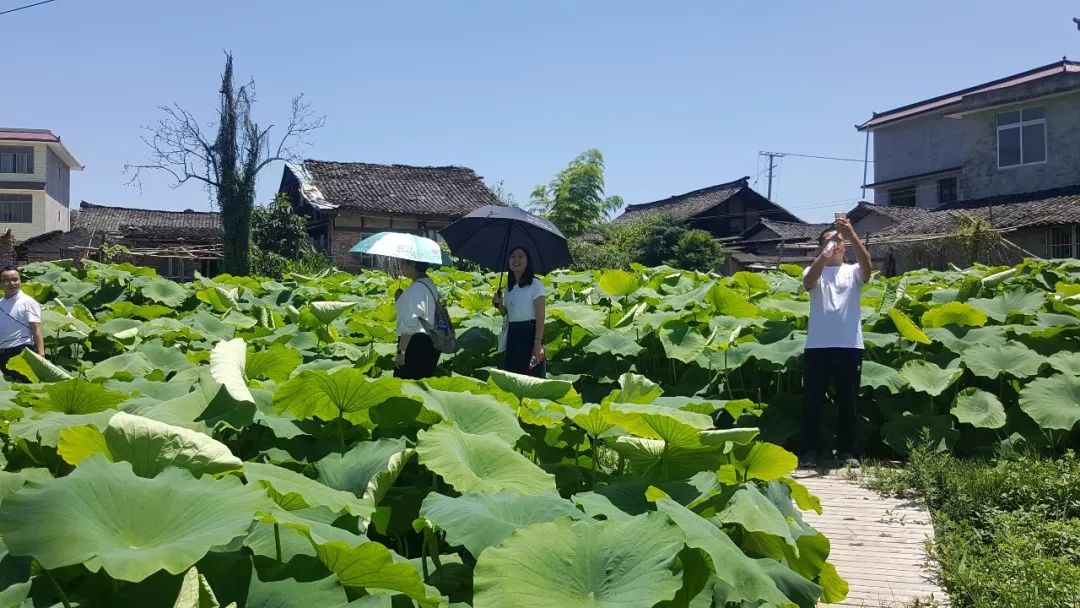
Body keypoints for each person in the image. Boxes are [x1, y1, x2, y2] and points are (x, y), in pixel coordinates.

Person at [800, 217, 871, 470]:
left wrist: (851, 234)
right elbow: (809, 282)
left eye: (839, 241)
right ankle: (810, 451)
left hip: (849, 346)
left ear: (846, 245)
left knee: (848, 402)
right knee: (812, 401)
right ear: (820, 246)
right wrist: (823, 255)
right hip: (817, 347)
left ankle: (847, 452)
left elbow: (868, 267)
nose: (835, 244)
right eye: (830, 241)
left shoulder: (853, 272)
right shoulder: (812, 271)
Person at [492, 247, 546, 378]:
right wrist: (499, 306)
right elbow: (509, 315)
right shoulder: (509, 288)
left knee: (532, 376)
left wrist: (537, 343)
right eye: (513, 256)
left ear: (528, 261)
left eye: (521, 256)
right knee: (513, 375)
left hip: (530, 335)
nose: (516, 259)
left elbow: (540, 316)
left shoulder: (535, 284)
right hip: (513, 334)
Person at [394, 260, 440, 379]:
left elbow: (410, 324)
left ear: (413, 265)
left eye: (403, 264)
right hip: (430, 342)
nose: (401, 267)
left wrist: (401, 352)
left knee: (405, 388)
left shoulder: (415, 289)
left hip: (415, 345)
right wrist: (401, 299)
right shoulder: (429, 284)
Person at [0, 266, 44, 380]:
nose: (12, 283)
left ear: (20, 281)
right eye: (6, 280)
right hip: (2, 351)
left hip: (20, 351)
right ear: (0, 284)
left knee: (21, 387)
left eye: (15, 279)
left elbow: (36, 328)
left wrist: (41, 354)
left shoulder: (28, 302)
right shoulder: (1, 303)